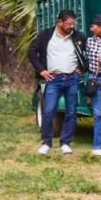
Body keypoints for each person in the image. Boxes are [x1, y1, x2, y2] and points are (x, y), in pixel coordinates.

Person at [29, 10, 88, 155]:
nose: (71, 26)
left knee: (71, 112)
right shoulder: (46, 35)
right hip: (53, 79)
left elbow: (90, 53)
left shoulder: (78, 36)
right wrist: (41, 70)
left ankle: (66, 143)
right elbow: (31, 52)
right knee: (49, 111)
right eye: (68, 23)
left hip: (72, 79)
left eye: (73, 23)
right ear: (60, 22)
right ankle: (47, 143)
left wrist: (83, 67)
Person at [88, 15, 101, 156]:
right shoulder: (90, 41)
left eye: (94, 26)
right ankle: (98, 146)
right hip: (96, 78)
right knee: (98, 114)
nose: (91, 28)